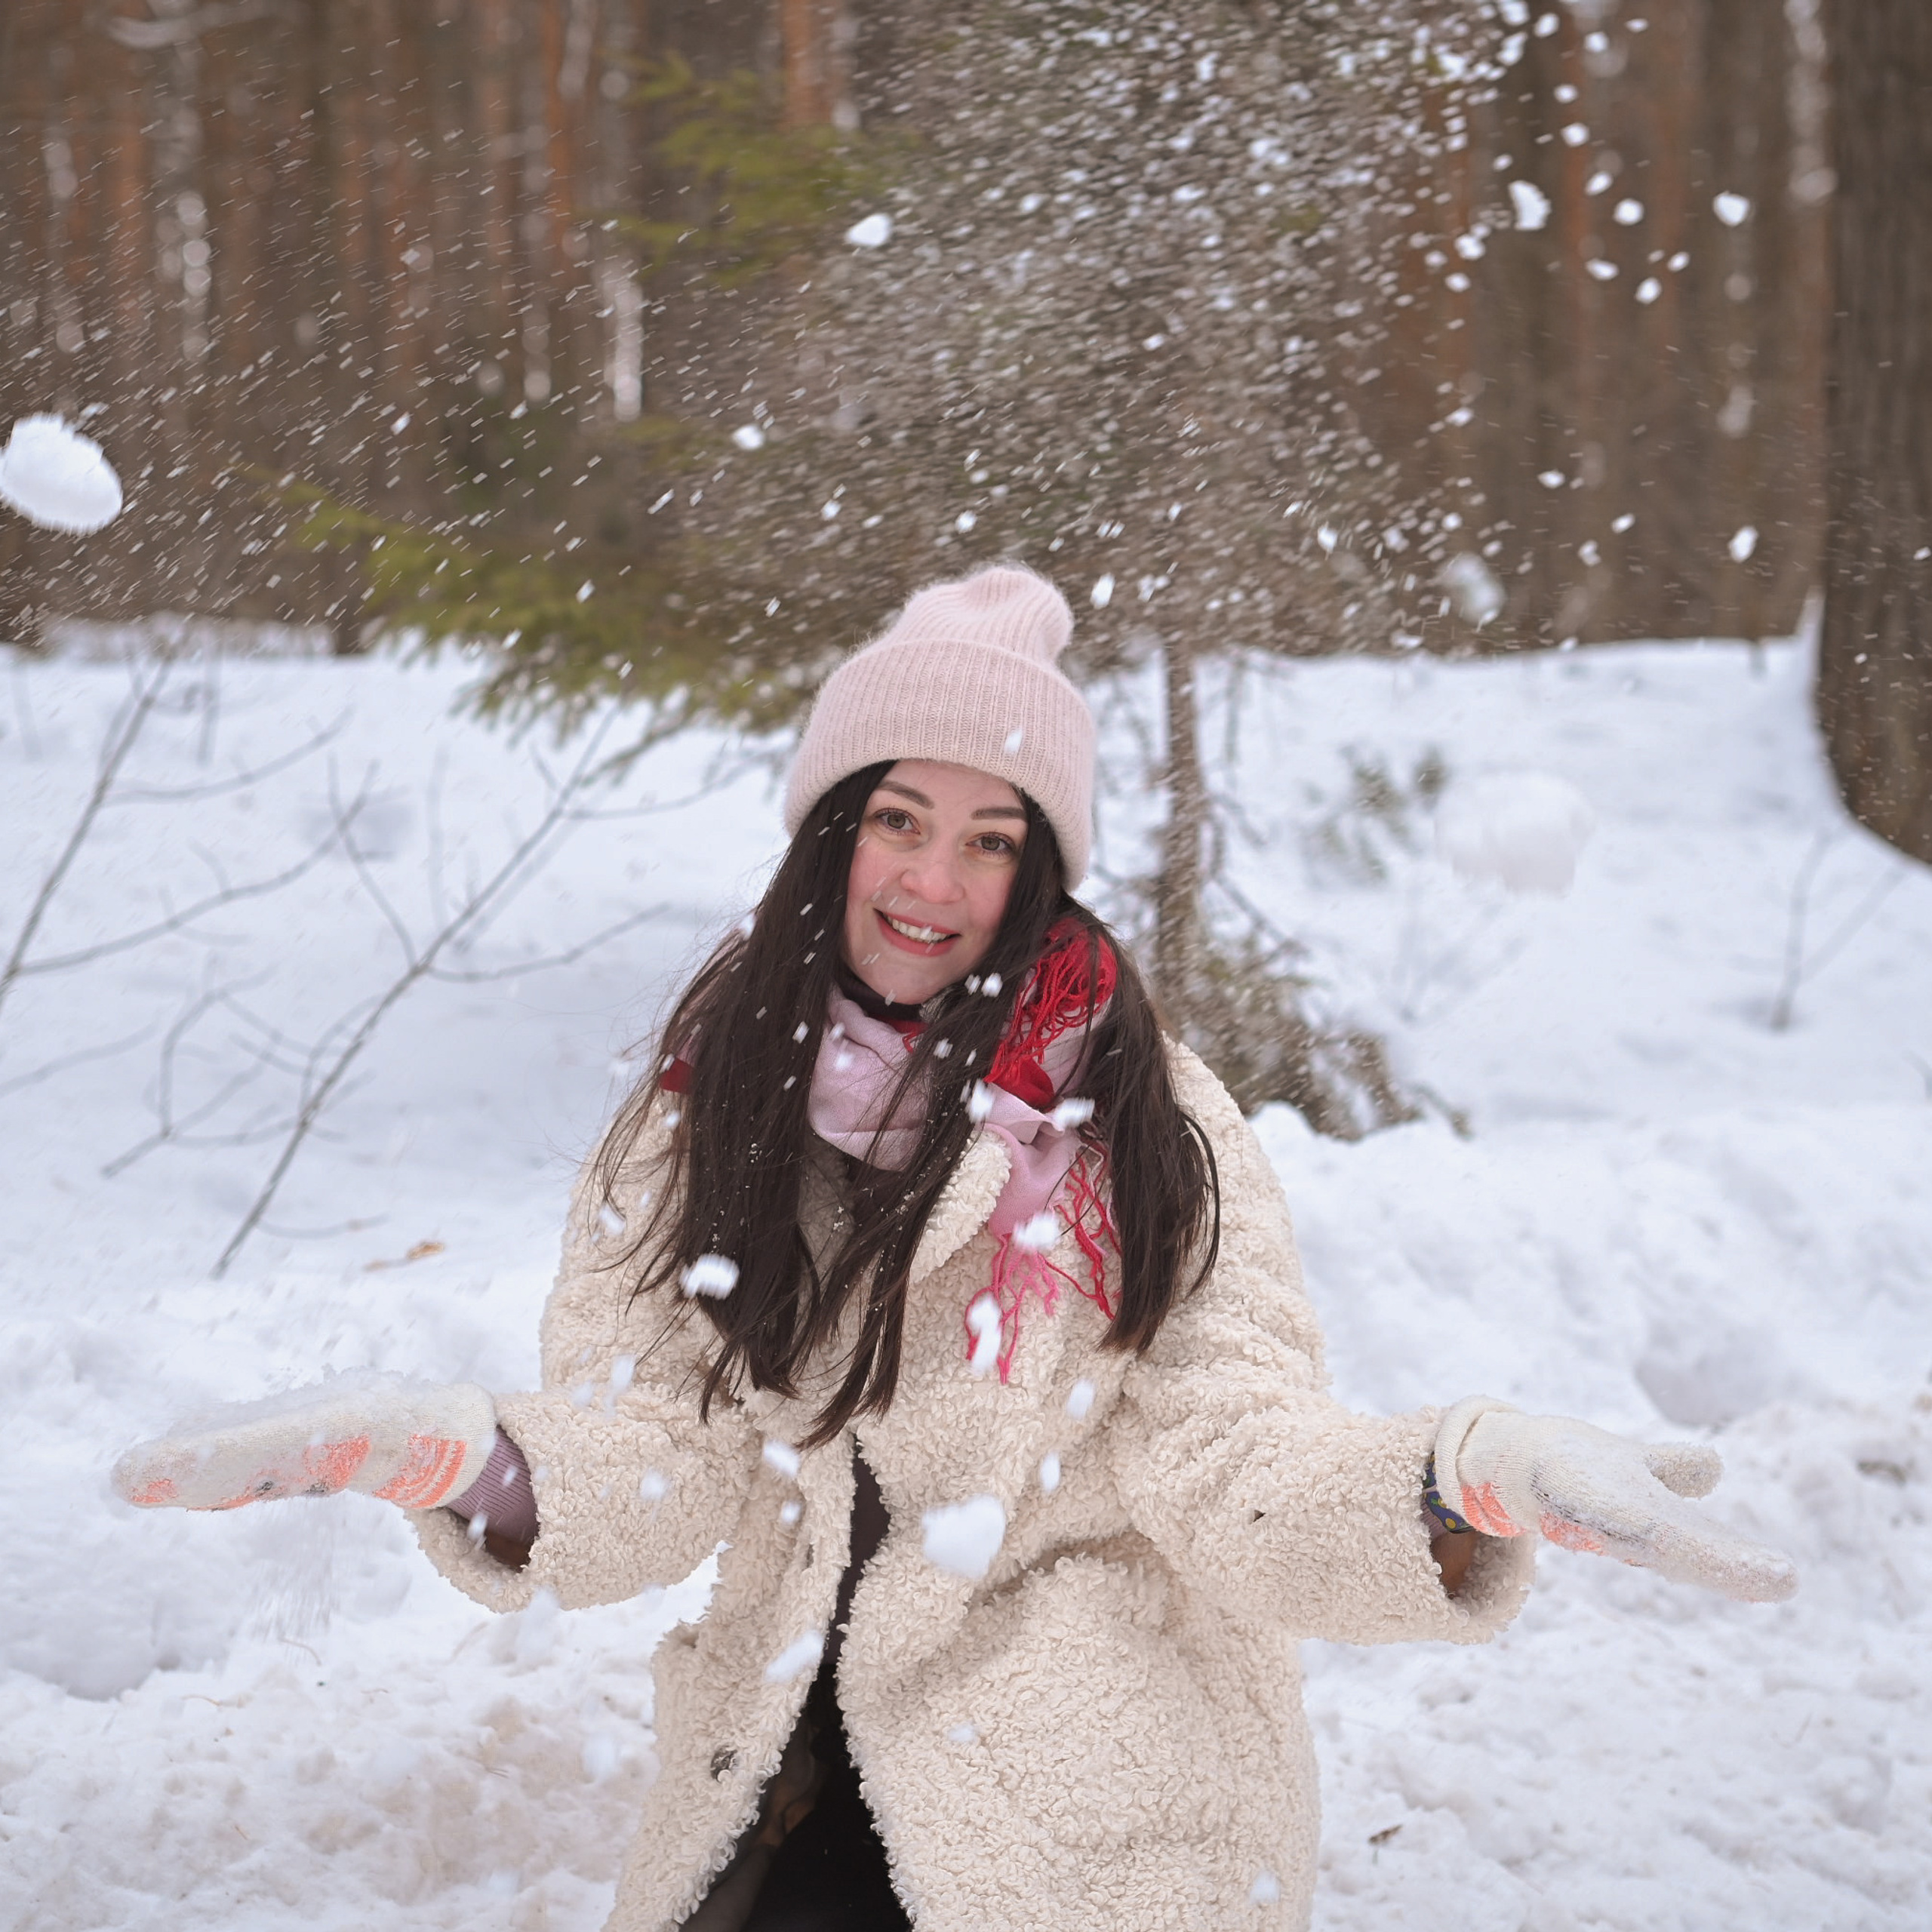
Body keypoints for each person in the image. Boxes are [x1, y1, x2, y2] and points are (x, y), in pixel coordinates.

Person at [115, 565, 1797, 1932]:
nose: (934, 879)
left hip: (1090, 1777)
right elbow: (663, 1457)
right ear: (825, 830)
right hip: (777, 1749)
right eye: (898, 818)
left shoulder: (1147, 1123)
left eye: (993, 839)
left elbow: (1236, 1457)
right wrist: (453, 1459)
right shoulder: (704, 1113)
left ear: (1041, 868)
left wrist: (1455, 1478)